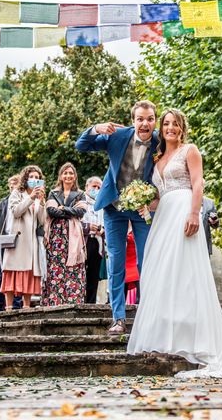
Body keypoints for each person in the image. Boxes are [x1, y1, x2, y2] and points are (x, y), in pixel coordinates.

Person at [127, 108, 222, 378]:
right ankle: (171, 334)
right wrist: (142, 201)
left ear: (182, 128)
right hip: (164, 216)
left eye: (175, 124)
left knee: (187, 272)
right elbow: (159, 196)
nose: (170, 128)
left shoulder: (190, 150)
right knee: (163, 273)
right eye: (166, 124)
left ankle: (203, 341)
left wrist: (194, 212)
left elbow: (198, 183)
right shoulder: (157, 158)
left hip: (184, 212)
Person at [75, 100, 159, 334]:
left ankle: (148, 315)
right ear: (133, 120)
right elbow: (81, 145)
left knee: (147, 261)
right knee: (116, 262)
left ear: (155, 120)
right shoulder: (118, 136)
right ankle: (118, 318)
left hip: (143, 209)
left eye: (150, 118)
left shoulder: (160, 140)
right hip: (113, 206)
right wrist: (95, 128)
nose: (145, 123)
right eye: (140, 118)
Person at [1, 165, 46, 310]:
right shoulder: (16, 193)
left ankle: (26, 307)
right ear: (25, 178)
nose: (34, 180)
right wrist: (31, 198)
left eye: (37, 178)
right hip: (18, 240)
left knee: (28, 272)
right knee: (12, 271)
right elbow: (16, 212)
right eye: (31, 177)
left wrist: (42, 202)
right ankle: (8, 307)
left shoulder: (38, 198)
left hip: (31, 241)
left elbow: (42, 220)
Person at [42, 162, 87, 306]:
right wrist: (70, 210)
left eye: (71, 173)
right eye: (65, 173)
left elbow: (81, 212)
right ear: (61, 176)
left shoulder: (80, 194)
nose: (68, 176)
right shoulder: (53, 193)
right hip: (56, 235)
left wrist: (63, 209)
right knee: (55, 264)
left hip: (73, 234)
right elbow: (51, 211)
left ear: (75, 176)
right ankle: (55, 300)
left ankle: (73, 299)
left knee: (74, 266)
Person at [0, 175, 22, 311]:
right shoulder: (2, 203)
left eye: (15, 183)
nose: (12, 186)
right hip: (5, 240)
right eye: (10, 183)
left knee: (17, 273)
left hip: (19, 239)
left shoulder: (22, 200)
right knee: (2, 272)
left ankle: (17, 303)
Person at [82, 176, 105, 304]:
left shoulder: (101, 204)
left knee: (93, 274)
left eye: (98, 187)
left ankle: (90, 303)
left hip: (97, 241)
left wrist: (102, 229)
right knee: (81, 272)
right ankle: (79, 301)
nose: (96, 189)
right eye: (93, 186)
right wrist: (87, 227)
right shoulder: (80, 200)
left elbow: (106, 222)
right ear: (87, 187)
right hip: (83, 241)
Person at [201, 189, 219, 256]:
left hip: (204, 242)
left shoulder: (210, 202)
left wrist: (214, 222)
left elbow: (215, 225)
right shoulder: (186, 201)